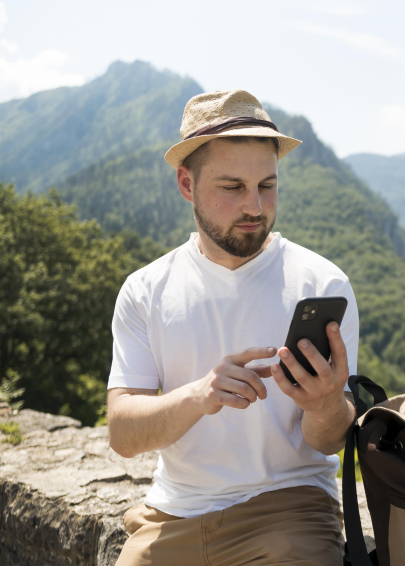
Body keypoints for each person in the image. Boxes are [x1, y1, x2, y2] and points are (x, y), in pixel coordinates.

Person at [106, 90, 358, 566]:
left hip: (290, 509)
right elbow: (122, 434)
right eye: (232, 187)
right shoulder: (145, 290)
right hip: (172, 516)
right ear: (186, 183)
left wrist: (326, 405)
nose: (255, 207)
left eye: (267, 185)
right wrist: (199, 395)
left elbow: (331, 441)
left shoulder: (322, 284)